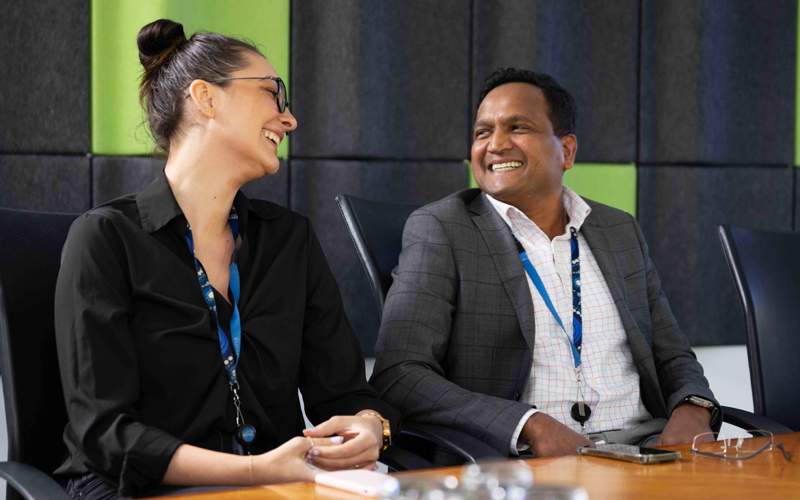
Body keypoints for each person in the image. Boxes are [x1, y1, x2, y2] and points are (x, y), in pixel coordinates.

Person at [54, 19, 398, 499]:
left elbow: (343, 392)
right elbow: (106, 435)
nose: (289, 118)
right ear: (206, 98)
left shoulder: (290, 240)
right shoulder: (105, 239)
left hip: (274, 486)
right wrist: (257, 472)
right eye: (272, 93)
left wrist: (370, 426)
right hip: (136, 488)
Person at [370, 68, 719, 461]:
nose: (496, 144)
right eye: (482, 133)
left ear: (567, 151)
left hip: (647, 450)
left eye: (517, 127)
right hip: (527, 458)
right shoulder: (443, 228)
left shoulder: (619, 229)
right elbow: (399, 374)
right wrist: (528, 424)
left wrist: (694, 407)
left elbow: (672, 354)